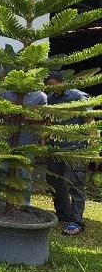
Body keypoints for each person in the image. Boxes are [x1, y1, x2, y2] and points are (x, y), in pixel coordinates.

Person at [44, 70, 91, 235]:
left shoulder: (78, 97)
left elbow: (89, 122)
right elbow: (49, 121)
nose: (52, 89)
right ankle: (63, 214)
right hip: (55, 148)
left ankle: (77, 222)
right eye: (49, 87)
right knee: (53, 180)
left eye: (54, 85)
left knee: (75, 184)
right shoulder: (50, 99)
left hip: (75, 149)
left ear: (63, 81)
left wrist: (93, 148)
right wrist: (44, 138)